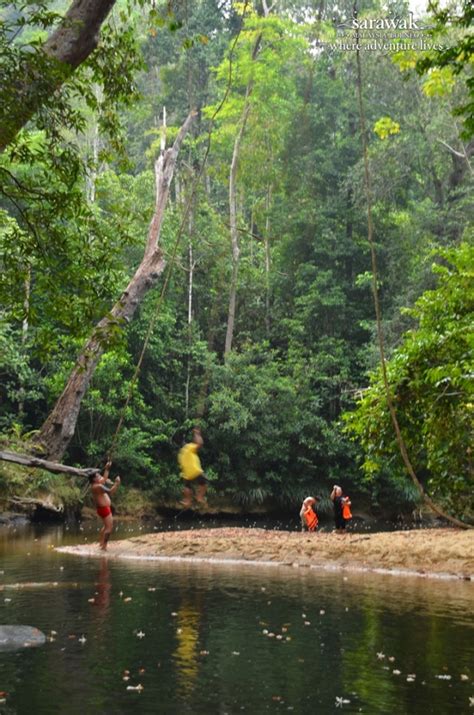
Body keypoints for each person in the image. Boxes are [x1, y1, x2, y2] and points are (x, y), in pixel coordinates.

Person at [89, 460, 121, 551]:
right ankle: (104, 546)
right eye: (98, 476)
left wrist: (107, 469)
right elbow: (111, 492)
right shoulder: (98, 486)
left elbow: (103, 479)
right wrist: (116, 484)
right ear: (94, 479)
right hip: (104, 509)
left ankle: (101, 543)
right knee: (109, 528)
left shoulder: (95, 485)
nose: (100, 476)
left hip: (102, 509)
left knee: (105, 527)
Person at [178, 427, 207, 508]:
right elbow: (199, 444)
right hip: (195, 471)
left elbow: (182, 466)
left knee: (187, 487)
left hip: (186, 475)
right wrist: (197, 434)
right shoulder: (188, 447)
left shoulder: (181, 453)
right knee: (203, 484)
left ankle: (187, 501)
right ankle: (199, 497)